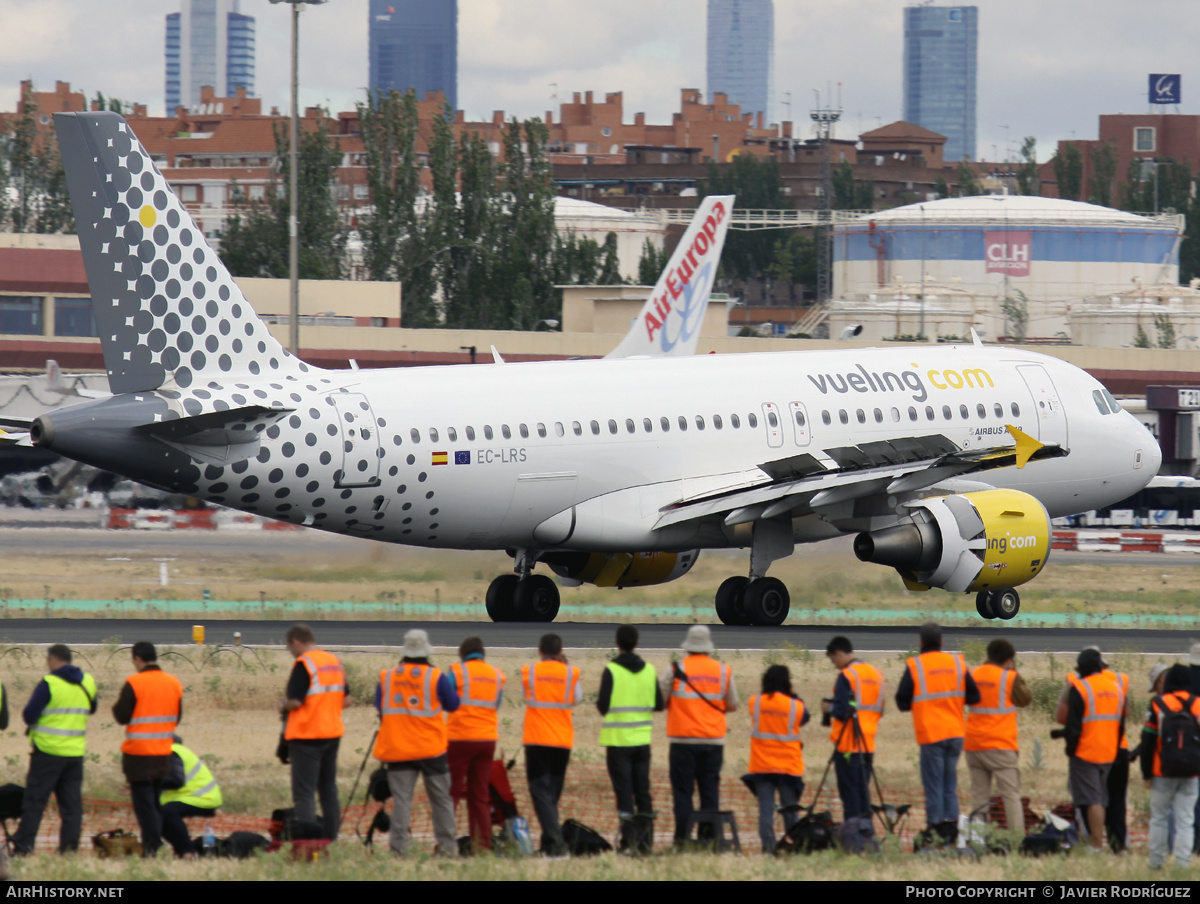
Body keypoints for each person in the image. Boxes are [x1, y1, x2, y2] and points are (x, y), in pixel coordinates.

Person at [374, 628, 460, 856]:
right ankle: (448, 848)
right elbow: (453, 705)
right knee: (441, 800)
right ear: (426, 650)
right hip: (431, 749)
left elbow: (380, 706)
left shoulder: (388, 676)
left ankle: (398, 850)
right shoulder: (435, 676)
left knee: (402, 802)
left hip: (398, 748)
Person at [895, 622, 980, 846]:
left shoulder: (916, 665)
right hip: (955, 732)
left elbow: (901, 701)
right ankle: (951, 829)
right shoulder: (956, 662)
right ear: (942, 642)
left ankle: (934, 829)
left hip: (932, 734)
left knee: (934, 786)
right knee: (949, 785)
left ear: (920, 643)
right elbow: (974, 695)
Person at [11, 644, 96, 855]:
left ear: (53, 659)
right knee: (71, 806)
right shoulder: (87, 682)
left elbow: (29, 715)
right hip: (74, 754)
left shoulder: (50, 683)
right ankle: (69, 849)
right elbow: (92, 708)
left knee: (35, 803)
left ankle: (23, 847)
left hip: (48, 752)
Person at [660, 625, 738, 846]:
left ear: (688, 646)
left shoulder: (675, 669)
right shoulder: (722, 670)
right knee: (710, 791)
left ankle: (682, 839)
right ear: (708, 647)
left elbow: (660, 700)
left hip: (682, 740)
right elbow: (733, 704)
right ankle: (709, 838)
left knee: (683, 793)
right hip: (713, 741)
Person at [112, 641, 183, 857]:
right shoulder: (173, 683)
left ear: (138, 659)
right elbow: (177, 717)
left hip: (139, 755)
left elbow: (121, 715)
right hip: (163, 753)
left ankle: (153, 847)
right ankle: (155, 844)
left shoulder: (135, 683)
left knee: (145, 807)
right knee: (154, 801)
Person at [597, 624, 663, 854]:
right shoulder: (649, 671)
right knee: (643, 792)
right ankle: (646, 843)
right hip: (642, 742)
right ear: (636, 643)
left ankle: (628, 841)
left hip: (618, 742)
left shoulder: (612, 671)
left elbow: (602, 706)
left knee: (624, 793)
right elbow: (659, 704)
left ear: (617, 643)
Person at [1055, 647, 1124, 852]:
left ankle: (1096, 843)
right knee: (1101, 798)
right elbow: (1121, 724)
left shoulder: (1082, 688)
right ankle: (1102, 841)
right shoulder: (1115, 687)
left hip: (1087, 752)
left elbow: (1072, 724)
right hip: (1109, 751)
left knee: (1092, 800)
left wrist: (1071, 749)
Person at [280, 624, 346, 840]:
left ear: (296, 642)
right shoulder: (334, 662)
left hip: (307, 735)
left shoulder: (304, 664)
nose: (291, 652)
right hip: (332, 733)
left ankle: (308, 842)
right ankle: (331, 837)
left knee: (304, 793)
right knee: (328, 789)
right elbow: (347, 699)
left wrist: (282, 705)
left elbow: (295, 702)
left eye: (289, 647)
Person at [521, 633, 582, 857]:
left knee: (540, 792)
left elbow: (526, 697)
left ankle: (556, 845)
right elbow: (577, 698)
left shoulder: (530, 671)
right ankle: (549, 845)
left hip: (537, 739)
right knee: (552, 795)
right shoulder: (570, 673)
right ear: (559, 652)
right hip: (562, 740)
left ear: (540, 651)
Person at [964, 638, 1032, 835]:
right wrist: (1015, 673)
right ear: (1009, 660)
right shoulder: (1009, 678)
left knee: (979, 798)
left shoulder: (973, 674)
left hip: (974, 744)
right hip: (1000, 745)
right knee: (1010, 795)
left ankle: (978, 840)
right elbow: (1025, 699)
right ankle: (1016, 840)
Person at [447, 637, 506, 853]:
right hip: (487, 739)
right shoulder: (496, 674)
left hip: (460, 738)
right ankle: (482, 846)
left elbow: (446, 700)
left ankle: (446, 844)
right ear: (482, 654)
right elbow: (496, 704)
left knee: (451, 793)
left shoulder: (457, 672)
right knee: (479, 794)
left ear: (463, 654)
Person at [744, 664, 808, 854]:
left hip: (762, 766)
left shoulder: (755, 702)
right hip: (787, 766)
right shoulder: (794, 705)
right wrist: (793, 695)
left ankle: (768, 848)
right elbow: (804, 718)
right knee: (790, 810)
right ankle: (792, 846)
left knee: (766, 811)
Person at [1141, 663, 1200, 869]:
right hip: (1192, 773)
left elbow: (1147, 742)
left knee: (1159, 818)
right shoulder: (1198, 704)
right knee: (1186, 820)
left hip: (1161, 771)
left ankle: (1156, 862)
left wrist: (1146, 772)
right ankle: (1182, 864)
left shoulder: (1158, 704)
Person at [822, 636, 883, 823]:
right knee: (863, 794)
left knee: (850, 796)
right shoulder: (875, 674)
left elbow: (841, 711)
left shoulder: (847, 676)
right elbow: (879, 708)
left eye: (834, 660)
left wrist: (828, 709)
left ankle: (853, 836)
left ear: (839, 653)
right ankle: (865, 832)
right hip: (868, 743)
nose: (835, 665)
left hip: (848, 745)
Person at [159, 737, 223, 857]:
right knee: (156, 816)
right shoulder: (172, 752)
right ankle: (182, 851)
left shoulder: (172, 752)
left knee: (168, 812)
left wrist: (149, 783)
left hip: (202, 797)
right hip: (189, 797)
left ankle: (188, 852)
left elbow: (176, 781)